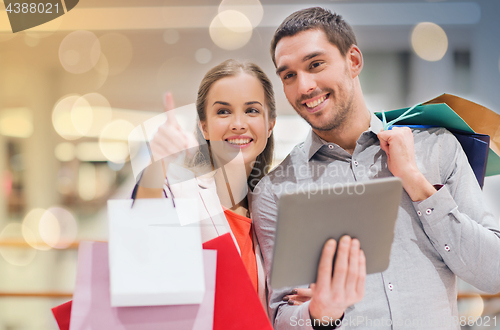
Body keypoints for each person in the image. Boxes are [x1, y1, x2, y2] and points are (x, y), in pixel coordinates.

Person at [251, 7, 500, 329]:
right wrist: (321, 311)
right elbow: (280, 317)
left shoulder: (438, 147)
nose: (304, 87)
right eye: (289, 75)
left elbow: (492, 272)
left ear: (353, 61)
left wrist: (415, 181)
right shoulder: (274, 190)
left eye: (316, 64)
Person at [135, 59, 277, 307]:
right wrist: (157, 165)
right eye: (223, 111)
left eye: (252, 110)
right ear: (205, 127)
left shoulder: (274, 206)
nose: (238, 123)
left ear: (270, 125)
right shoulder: (179, 195)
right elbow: (141, 233)